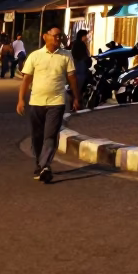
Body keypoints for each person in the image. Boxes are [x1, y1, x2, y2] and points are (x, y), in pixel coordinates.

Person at [16, 25, 79, 183]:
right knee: (37, 136)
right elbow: (26, 79)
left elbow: (72, 78)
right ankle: (40, 163)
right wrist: (21, 99)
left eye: (60, 36)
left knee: (50, 135)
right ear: (45, 36)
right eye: (55, 36)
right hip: (36, 102)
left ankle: (45, 166)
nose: (58, 39)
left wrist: (76, 97)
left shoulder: (66, 56)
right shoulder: (35, 56)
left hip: (56, 102)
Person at [71, 29, 92, 99]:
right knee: (79, 83)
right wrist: (88, 60)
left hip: (80, 65)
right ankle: (76, 98)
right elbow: (82, 56)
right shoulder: (79, 44)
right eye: (85, 36)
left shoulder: (77, 43)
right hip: (80, 66)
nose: (86, 37)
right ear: (82, 36)